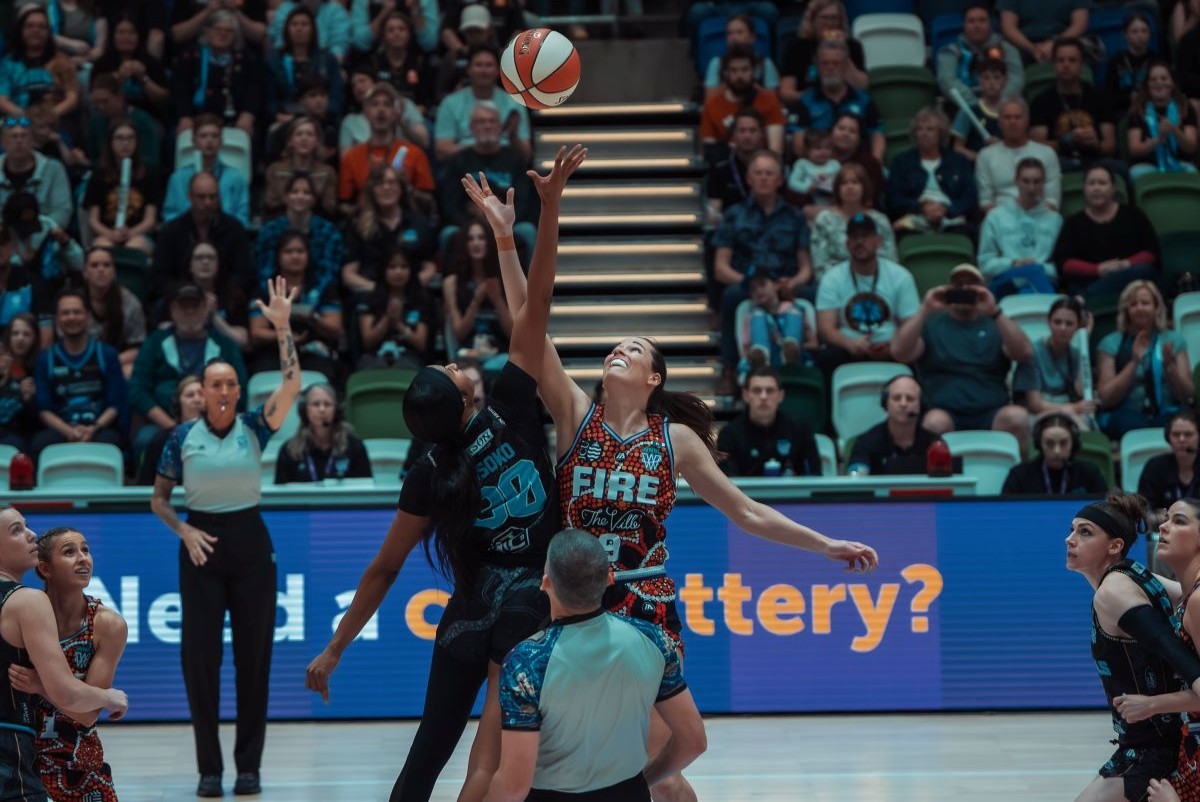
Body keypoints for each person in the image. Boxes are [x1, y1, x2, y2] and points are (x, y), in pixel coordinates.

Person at [495, 195, 880, 802]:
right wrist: (503, 239)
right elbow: (529, 319)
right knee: (565, 752)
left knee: (661, 760)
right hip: (572, 602)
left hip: (644, 602)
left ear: (654, 379)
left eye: (635, 349)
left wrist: (822, 543)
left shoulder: (673, 439)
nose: (619, 350)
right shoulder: (575, 413)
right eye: (615, 346)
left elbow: (747, 511)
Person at [305, 146, 587, 802]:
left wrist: (336, 648)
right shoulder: (514, 405)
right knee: (490, 765)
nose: (461, 365)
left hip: (465, 620)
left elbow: (381, 570)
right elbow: (538, 301)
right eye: (454, 372)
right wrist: (546, 213)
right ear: (463, 400)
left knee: (425, 759)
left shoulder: (427, 472)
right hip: (527, 608)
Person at [151, 276, 301, 799]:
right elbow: (159, 500)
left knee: (253, 661)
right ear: (200, 393)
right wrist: (185, 529)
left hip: (251, 545)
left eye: (228, 384)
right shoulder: (180, 438)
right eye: (211, 384)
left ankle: (249, 768)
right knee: (200, 662)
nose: (220, 390)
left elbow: (291, 386)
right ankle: (209, 770)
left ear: (237, 391)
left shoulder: (254, 429)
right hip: (201, 545)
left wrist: (282, 327)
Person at [487, 529, 707, 802]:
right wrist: (643, 780)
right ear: (608, 580)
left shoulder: (526, 661)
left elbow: (513, 786)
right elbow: (694, 741)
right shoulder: (655, 641)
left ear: (545, 583)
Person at [1064, 491, 1200, 802]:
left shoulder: (1112, 592)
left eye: (1084, 532)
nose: (1070, 539)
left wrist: (1155, 703)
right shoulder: (1137, 574)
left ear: (1114, 546)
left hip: (1153, 750)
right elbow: (1185, 595)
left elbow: (1166, 645)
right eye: (1072, 529)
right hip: (1147, 743)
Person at [0, 505, 128, 802]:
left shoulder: (107, 625)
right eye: (69, 552)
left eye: (86, 549)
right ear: (44, 568)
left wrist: (39, 686)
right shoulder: (26, 608)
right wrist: (111, 697)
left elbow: (85, 716)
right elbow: (73, 695)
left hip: (76, 764)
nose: (83, 558)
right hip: (26, 757)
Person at [890, 263, 1033, 443]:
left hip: (991, 412)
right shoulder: (932, 325)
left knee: (1017, 417)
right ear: (949, 289)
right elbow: (899, 352)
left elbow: (1025, 353)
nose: (964, 289)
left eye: (971, 285)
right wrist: (925, 309)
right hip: (945, 412)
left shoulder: (996, 324)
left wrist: (995, 312)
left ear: (982, 289)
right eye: (959, 285)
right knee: (934, 423)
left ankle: (1017, 471)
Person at [711, 150, 812, 393]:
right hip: (747, 284)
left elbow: (806, 267)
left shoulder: (794, 216)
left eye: (770, 173)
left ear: (780, 179)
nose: (764, 178)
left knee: (813, 294)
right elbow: (720, 268)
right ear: (749, 178)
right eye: (758, 173)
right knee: (731, 296)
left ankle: (802, 366)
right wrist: (750, 284)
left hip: (784, 285)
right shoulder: (734, 215)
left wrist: (790, 284)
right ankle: (730, 369)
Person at [128, 282, 248, 470]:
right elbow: (137, 391)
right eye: (184, 306)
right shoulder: (155, 343)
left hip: (217, 424)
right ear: (173, 310)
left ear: (205, 309)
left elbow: (240, 391)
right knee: (145, 440)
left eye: (196, 306)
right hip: (163, 423)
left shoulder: (225, 346)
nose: (190, 311)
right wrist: (171, 426)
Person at [814, 212, 919, 373]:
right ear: (847, 244)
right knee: (828, 356)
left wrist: (892, 347)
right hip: (849, 347)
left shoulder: (901, 277)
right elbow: (825, 327)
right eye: (854, 238)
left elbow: (909, 324)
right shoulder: (832, 278)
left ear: (878, 241)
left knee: (915, 348)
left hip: (890, 347)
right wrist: (849, 343)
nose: (859, 242)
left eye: (865, 236)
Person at [32, 289, 127, 461]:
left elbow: (115, 405)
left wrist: (93, 429)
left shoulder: (106, 354)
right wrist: (69, 432)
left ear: (88, 316)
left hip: (99, 428)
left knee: (112, 443)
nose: (71, 317)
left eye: (77, 312)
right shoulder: (46, 359)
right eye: (65, 313)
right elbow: (44, 410)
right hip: (61, 429)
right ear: (57, 319)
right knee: (40, 444)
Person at [438, 102, 538, 261]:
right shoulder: (458, 161)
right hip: (468, 225)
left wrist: (502, 221)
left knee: (527, 231)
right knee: (447, 234)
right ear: (471, 128)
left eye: (492, 121)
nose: (487, 126)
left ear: (500, 127)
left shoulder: (515, 159)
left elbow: (524, 203)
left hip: (508, 223)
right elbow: (450, 205)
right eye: (481, 122)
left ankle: (532, 285)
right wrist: (475, 226)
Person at [1095, 281, 1191, 440]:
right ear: (1127, 310)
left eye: (1145, 303)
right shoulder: (1111, 343)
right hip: (1127, 414)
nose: (1139, 308)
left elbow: (1187, 395)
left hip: (1168, 411)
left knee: (1178, 425)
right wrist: (1133, 362)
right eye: (1133, 304)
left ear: (1156, 307)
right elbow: (1106, 399)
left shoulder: (1173, 340)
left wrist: (1170, 367)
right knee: (1132, 425)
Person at [1052, 164, 1160, 298]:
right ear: (1084, 188)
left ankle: (1083, 298)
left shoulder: (1133, 215)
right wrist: (1098, 270)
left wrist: (1124, 265)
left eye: (1102, 183)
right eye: (1091, 183)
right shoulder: (1073, 223)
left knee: (1144, 271)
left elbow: (1150, 253)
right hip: (1089, 280)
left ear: (1113, 188)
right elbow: (1065, 264)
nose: (1096, 188)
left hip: (1130, 283)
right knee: (1075, 285)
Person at [248, 230, 342, 382]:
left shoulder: (323, 285)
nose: (295, 256)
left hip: (314, 350)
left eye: (300, 251)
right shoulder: (265, 288)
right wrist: (287, 336)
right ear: (278, 256)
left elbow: (334, 328)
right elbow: (257, 332)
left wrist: (313, 317)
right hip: (273, 351)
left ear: (308, 255)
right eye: (289, 251)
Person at [152, 172, 254, 300]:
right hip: (181, 300)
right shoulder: (171, 231)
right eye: (201, 197)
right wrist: (188, 294)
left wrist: (219, 295)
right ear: (190, 196)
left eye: (213, 197)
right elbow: (161, 277)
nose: (208, 202)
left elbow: (244, 272)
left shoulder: (234, 229)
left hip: (224, 300)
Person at [338, 82, 435, 212]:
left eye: (387, 105)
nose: (381, 110)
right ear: (366, 113)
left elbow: (429, 203)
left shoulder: (415, 153)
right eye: (375, 104)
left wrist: (406, 186)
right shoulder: (352, 157)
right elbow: (344, 204)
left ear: (396, 114)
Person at [342, 164, 437, 293]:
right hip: (371, 291)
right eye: (379, 183)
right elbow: (349, 274)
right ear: (371, 190)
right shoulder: (357, 225)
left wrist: (406, 288)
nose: (386, 187)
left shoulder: (419, 223)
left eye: (392, 182)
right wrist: (381, 291)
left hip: (412, 293)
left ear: (401, 188)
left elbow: (430, 268)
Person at [885, 107, 978, 237]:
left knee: (967, 233)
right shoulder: (901, 162)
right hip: (914, 216)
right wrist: (921, 207)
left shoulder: (958, 161)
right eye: (920, 129)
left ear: (940, 133)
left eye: (930, 129)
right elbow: (893, 198)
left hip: (951, 217)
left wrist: (946, 210)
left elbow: (970, 198)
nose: (924, 133)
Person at [169, 10, 263, 138]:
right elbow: (180, 89)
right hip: (196, 117)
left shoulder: (247, 59)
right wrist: (185, 116)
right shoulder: (190, 56)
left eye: (229, 30)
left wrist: (247, 115)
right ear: (207, 31)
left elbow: (253, 89)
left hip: (234, 119)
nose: (223, 34)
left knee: (253, 134)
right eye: (217, 29)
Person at [977, 158, 1062, 298]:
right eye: (1026, 181)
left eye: (1036, 182)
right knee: (1031, 273)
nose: (1031, 188)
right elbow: (985, 263)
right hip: (1006, 279)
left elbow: (1059, 267)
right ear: (1016, 181)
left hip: (1043, 278)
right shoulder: (996, 217)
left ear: (1044, 183)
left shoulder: (1055, 220)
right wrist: (1013, 263)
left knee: (1033, 274)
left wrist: (1039, 267)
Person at [786, 39, 883, 162]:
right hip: (818, 166)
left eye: (836, 63)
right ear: (817, 66)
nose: (830, 68)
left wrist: (875, 162)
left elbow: (877, 134)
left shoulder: (863, 99)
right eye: (825, 63)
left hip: (857, 165)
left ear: (846, 66)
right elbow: (798, 144)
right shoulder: (805, 101)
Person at [433, 44, 532, 163]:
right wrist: (480, 147)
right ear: (469, 70)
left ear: (497, 71)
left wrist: (513, 136)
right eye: (478, 65)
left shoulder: (515, 104)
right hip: (464, 165)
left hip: (505, 165)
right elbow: (442, 151)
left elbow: (526, 155)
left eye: (489, 65)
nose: (484, 71)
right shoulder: (450, 103)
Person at [716, 366, 820, 477]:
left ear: (780, 395)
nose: (763, 396)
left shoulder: (800, 429)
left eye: (770, 391)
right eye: (757, 390)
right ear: (745, 395)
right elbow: (727, 482)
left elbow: (813, 476)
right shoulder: (729, 435)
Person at [1029, 38, 1118, 168]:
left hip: (1095, 162)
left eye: (1072, 60)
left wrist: (1096, 143)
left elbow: (1110, 145)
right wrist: (1066, 142)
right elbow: (1037, 146)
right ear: (1053, 64)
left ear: (1081, 64)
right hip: (1057, 164)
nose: (1066, 65)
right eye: (1061, 60)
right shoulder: (1041, 102)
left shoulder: (1099, 98)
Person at [1014, 296, 1097, 423]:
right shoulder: (1033, 352)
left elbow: (1080, 391)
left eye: (1069, 324)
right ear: (1049, 322)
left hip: (1069, 408)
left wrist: (1084, 341)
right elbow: (1034, 404)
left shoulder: (1075, 353)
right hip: (1039, 412)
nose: (1063, 328)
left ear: (1078, 326)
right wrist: (1072, 408)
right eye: (1057, 322)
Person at [255, 173, 344, 292]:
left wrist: (311, 295)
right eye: (294, 191)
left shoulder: (329, 232)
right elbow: (264, 270)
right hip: (274, 293)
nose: (300, 196)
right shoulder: (269, 231)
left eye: (306, 192)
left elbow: (329, 272)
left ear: (314, 199)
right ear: (285, 197)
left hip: (320, 294)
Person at [84, 118, 160, 257]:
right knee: (102, 249)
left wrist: (130, 233)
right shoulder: (99, 174)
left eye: (130, 138)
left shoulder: (148, 173)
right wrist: (110, 234)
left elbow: (150, 219)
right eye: (120, 138)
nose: (125, 143)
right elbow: (93, 219)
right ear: (111, 142)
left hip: (138, 233)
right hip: (107, 232)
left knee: (134, 248)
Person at [160, 113, 250, 228]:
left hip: (225, 237)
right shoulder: (178, 179)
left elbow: (242, 218)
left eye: (214, 136)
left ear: (221, 141)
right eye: (203, 136)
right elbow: (170, 216)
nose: (209, 141)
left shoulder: (236, 177)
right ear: (193, 140)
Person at [809, 163, 896, 280]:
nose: (850, 187)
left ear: (864, 187)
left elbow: (891, 260)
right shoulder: (824, 220)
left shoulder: (879, 220)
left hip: (877, 282)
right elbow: (820, 265)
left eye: (855, 182)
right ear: (837, 188)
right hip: (836, 284)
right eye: (844, 183)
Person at [975, 96, 1062, 212]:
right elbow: (985, 202)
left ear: (1027, 121)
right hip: (1001, 221)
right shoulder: (985, 156)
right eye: (1007, 117)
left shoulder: (1047, 153)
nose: (1013, 122)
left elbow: (1052, 200)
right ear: (999, 122)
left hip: (1039, 218)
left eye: (1018, 117)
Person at [699, 44, 785, 160]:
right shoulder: (712, 106)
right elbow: (710, 150)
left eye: (744, 70)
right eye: (734, 70)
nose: (739, 76)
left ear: (754, 71)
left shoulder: (769, 101)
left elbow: (776, 151)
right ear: (726, 73)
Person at [275, 383, 372, 484]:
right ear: (304, 410)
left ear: (337, 410)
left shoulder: (354, 447)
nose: (322, 409)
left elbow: (365, 492)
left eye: (327, 404)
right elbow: (280, 496)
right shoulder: (289, 450)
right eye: (316, 404)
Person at [265, 6, 345, 127]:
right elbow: (269, 96)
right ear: (287, 29)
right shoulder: (274, 60)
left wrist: (326, 113)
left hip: (322, 118)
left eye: (304, 24)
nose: (299, 29)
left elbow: (336, 93)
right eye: (294, 24)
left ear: (313, 29)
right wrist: (276, 115)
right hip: (285, 118)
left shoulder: (327, 59)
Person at [0, 6, 80, 126]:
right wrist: (24, 116)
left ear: (49, 32)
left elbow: (72, 98)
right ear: (21, 30)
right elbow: (2, 100)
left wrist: (49, 116)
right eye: (30, 26)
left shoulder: (63, 61)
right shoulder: (8, 63)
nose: (36, 30)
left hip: (55, 121)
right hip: (18, 122)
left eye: (42, 27)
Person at [846, 375, 940, 475]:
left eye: (910, 399)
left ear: (921, 405)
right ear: (885, 403)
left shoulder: (935, 444)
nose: (903, 404)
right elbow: (856, 483)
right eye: (896, 398)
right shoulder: (866, 443)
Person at [777, 0, 867, 104]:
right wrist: (815, 101)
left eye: (834, 18)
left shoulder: (852, 46)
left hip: (847, 105)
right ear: (812, 20)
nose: (829, 23)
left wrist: (843, 50)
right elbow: (785, 92)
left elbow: (862, 86)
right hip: (808, 106)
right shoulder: (796, 47)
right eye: (824, 18)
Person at [357, 248, 432, 369]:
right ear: (384, 271)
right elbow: (368, 341)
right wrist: (387, 318)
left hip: (409, 356)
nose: (398, 272)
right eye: (392, 267)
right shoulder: (370, 300)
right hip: (375, 355)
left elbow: (421, 343)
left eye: (404, 267)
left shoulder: (421, 300)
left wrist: (398, 324)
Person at [936, 2, 1024, 100]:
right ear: (964, 25)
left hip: (1002, 106)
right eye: (971, 21)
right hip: (963, 106)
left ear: (990, 24)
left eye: (982, 20)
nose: (977, 25)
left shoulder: (1008, 50)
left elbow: (1016, 79)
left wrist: (999, 101)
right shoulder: (950, 51)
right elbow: (947, 81)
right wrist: (975, 103)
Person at [80, 246, 146, 377]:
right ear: (85, 272)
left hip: (118, 360)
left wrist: (108, 363)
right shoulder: (74, 301)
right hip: (79, 360)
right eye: (94, 265)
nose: (101, 270)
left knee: (130, 371)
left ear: (114, 271)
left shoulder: (130, 302)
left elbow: (137, 347)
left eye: (107, 265)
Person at [1127, 61, 1199, 179]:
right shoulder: (1138, 110)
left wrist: (1174, 131)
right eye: (1153, 79)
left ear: (1172, 83)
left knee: (1193, 173)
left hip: (1180, 163)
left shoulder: (1185, 108)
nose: (1159, 83)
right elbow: (1134, 149)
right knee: (1136, 173)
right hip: (1148, 165)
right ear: (1148, 85)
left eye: (1164, 78)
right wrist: (1158, 140)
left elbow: (1191, 147)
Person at [1002, 413, 1108, 494]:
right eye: (1049, 443)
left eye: (1063, 443)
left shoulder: (1089, 473)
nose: (1057, 450)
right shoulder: (1020, 475)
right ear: (1039, 444)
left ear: (1073, 443)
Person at [0, 117, 73, 231]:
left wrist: (36, 232)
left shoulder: (53, 168)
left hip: (45, 238)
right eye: (13, 136)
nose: (19, 141)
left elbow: (62, 212)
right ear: (3, 142)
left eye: (24, 136)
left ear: (33, 141)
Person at [84, 72, 162, 174]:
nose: (100, 107)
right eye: (96, 102)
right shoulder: (95, 122)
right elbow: (92, 157)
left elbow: (152, 161)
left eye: (105, 101)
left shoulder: (142, 120)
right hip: (104, 176)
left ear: (119, 96)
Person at [263, 117, 339, 219]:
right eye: (299, 134)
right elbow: (271, 204)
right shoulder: (275, 170)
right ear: (290, 141)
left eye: (309, 134)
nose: (304, 138)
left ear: (317, 141)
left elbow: (330, 207)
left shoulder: (327, 172)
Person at [739, 271, 816, 371]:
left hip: (796, 362)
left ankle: (791, 349)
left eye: (762, 284)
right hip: (766, 365)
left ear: (776, 285)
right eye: (753, 289)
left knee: (793, 313)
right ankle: (761, 354)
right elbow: (745, 350)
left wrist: (789, 347)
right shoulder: (751, 316)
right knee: (758, 315)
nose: (758, 290)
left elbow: (814, 344)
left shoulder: (796, 309)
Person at [135, 374, 203, 486]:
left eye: (202, 394)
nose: (196, 400)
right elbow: (145, 488)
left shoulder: (219, 438)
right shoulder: (160, 441)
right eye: (190, 395)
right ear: (178, 404)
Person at [703, 14, 780, 98]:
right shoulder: (717, 63)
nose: (733, 37)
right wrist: (732, 83)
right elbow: (709, 98)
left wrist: (748, 86)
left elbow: (773, 100)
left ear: (752, 37)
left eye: (739, 32)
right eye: (729, 33)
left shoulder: (766, 64)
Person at [1137, 410, 1200, 510]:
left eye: (1188, 434)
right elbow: (1144, 509)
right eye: (1176, 434)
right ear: (1168, 438)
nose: (1181, 439)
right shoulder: (1154, 467)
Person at [999, 0, 1090, 64]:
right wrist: (1033, 49)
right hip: (1023, 44)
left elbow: (1079, 25)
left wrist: (1055, 44)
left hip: (1064, 41)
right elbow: (1008, 27)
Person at [951, 58, 1006, 162]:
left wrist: (1001, 146)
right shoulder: (969, 110)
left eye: (997, 77)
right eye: (986, 78)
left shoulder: (1011, 110)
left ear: (1005, 80)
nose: (992, 83)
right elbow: (957, 148)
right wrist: (980, 157)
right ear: (979, 80)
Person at [1106, 12, 1157, 118]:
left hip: (1152, 109)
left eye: (1144, 31)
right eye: (1134, 31)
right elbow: (1109, 94)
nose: (1140, 35)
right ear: (1125, 35)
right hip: (1121, 111)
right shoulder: (1116, 61)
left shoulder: (1156, 60)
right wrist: (1129, 98)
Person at [786, 129, 840, 219]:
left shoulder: (835, 164)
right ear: (807, 150)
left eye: (827, 148)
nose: (823, 152)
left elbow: (842, 180)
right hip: (810, 200)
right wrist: (806, 187)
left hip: (831, 201)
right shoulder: (802, 164)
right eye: (818, 148)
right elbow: (792, 182)